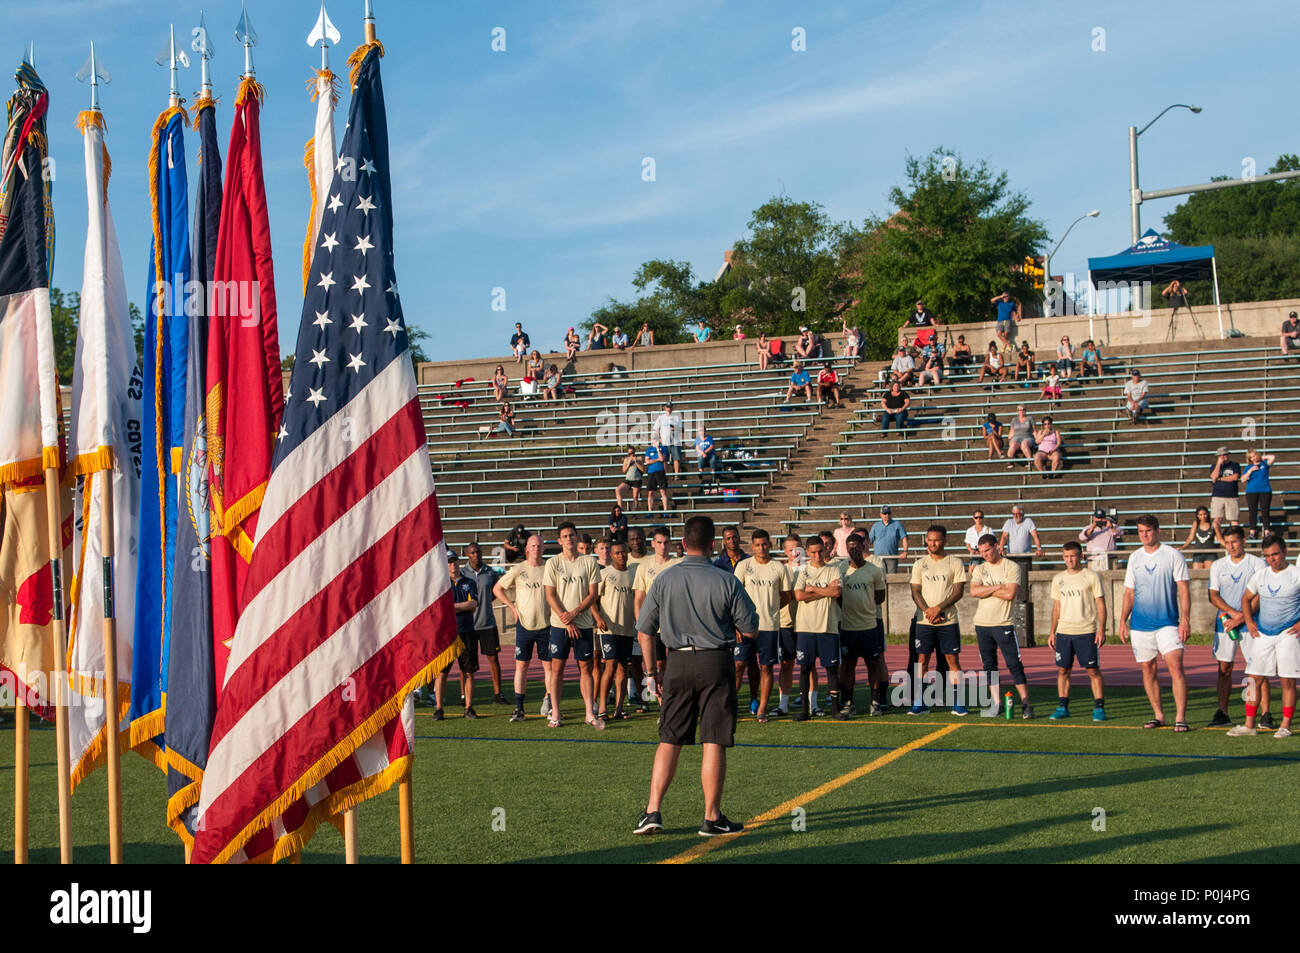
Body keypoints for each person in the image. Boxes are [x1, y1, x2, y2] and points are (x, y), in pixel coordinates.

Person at [632, 515, 759, 837]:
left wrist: (650, 673)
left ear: (682, 544)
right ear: (713, 544)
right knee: (714, 739)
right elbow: (750, 627)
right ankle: (711, 817)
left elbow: (645, 631)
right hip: (715, 661)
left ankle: (652, 811)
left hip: (676, 662)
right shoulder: (726, 579)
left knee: (669, 738)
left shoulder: (663, 579)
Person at [1119, 515, 1192, 731]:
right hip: (1140, 625)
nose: (1144, 535)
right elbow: (1129, 592)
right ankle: (1159, 715)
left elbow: (1183, 589)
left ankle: (1180, 717)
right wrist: (1123, 620)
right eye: (1141, 531)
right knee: (1147, 669)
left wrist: (1185, 620)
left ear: (1157, 531)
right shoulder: (1134, 558)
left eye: (1148, 531)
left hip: (1168, 622)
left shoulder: (1173, 555)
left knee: (1175, 667)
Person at [1226, 534, 1300, 739]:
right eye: (1267, 555)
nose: (1272, 559)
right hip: (1263, 634)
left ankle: (1285, 725)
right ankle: (1249, 724)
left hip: (1288, 633)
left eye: (1275, 554)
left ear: (1285, 552)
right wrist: (1249, 621)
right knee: (1253, 680)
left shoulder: (1296, 574)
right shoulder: (1261, 575)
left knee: (1288, 681)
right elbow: (1246, 598)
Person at [1207, 525, 1268, 729]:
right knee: (1224, 667)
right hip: (1225, 623)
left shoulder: (1257, 563)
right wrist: (1233, 615)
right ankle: (1223, 712)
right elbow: (1213, 595)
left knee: (1257, 668)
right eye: (1227, 542)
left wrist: (1242, 617)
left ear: (1243, 541)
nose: (1231, 546)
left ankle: (1264, 713)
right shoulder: (1218, 565)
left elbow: (1259, 595)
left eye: (1234, 541)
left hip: (1251, 623)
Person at [543, 522, 603, 730]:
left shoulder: (589, 562)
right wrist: (565, 619)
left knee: (586, 667)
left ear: (577, 538)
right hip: (559, 626)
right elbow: (550, 594)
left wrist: (575, 614)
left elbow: (593, 593)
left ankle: (589, 712)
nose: (569, 539)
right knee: (556, 668)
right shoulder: (552, 563)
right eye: (565, 536)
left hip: (584, 623)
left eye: (572, 535)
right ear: (559, 541)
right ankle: (556, 713)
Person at [971, 535, 1033, 718]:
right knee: (989, 665)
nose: (985, 555)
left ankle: (1026, 704)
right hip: (982, 624)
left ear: (997, 547)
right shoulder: (980, 569)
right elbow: (974, 591)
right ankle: (997, 703)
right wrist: (997, 587)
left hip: (1003, 623)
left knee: (1014, 664)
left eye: (988, 550)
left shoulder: (1011, 567)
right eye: (982, 552)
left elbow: (1010, 593)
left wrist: (987, 590)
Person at [909, 525, 969, 715]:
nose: (932, 543)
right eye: (929, 539)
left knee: (953, 661)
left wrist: (939, 608)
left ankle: (958, 702)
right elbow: (915, 591)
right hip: (925, 621)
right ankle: (919, 702)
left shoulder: (955, 562)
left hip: (948, 621)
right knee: (922, 661)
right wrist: (928, 611)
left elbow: (958, 591)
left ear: (944, 541)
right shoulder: (919, 564)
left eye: (936, 540)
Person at [1048, 541, 1108, 721]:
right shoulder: (1058, 579)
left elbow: (1100, 604)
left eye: (1073, 556)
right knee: (1063, 670)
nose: (1069, 560)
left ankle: (1098, 708)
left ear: (1081, 556)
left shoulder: (1091, 576)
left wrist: (1101, 629)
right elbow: (1056, 607)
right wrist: (1052, 631)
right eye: (1066, 556)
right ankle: (1062, 707)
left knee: (1092, 670)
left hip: (1086, 631)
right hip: (1064, 632)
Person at [494, 534, 551, 723]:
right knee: (522, 666)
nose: (536, 548)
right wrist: (512, 608)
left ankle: (549, 702)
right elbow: (497, 589)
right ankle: (519, 708)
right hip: (524, 625)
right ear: (527, 548)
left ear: (543, 549)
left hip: (546, 624)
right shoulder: (519, 569)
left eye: (539, 546)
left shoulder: (549, 569)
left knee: (548, 666)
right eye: (533, 545)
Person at [739, 529, 793, 724]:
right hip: (745, 626)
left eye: (764, 544)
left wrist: (771, 609)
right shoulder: (744, 566)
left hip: (769, 627)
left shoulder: (778, 568)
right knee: (738, 666)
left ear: (769, 545)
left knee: (766, 668)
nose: (761, 548)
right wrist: (737, 624)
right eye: (757, 545)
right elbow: (735, 596)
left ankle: (762, 709)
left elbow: (787, 595)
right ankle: (729, 706)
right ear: (752, 546)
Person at [793, 537, 845, 721]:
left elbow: (836, 592)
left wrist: (812, 589)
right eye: (813, 552)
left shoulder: (834, 569)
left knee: (831, 669)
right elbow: (799, 595)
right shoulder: (803, 570)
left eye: (820, 551)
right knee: (805, 668)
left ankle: (835, 710)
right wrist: (825, 592)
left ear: (825, 550)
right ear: (807, 552)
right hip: (806, 627)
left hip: (827, 626)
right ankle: (804, 710)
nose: (817, 555)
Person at [839, 531, 888, 717]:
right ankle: (849, 702)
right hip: (848, 627)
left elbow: (880, 596)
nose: (854, 551)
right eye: (850, 548)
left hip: (869, 626)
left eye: (857, 547)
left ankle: (875, 702)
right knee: (849, 665)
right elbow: (838, 597)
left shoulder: (873, 570)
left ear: (863, 547)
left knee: (873, 664)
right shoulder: (841, 569)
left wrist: (864, 607)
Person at [434, 552, 480, 719]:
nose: (453, 565)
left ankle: (468, 707)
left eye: (454, 561)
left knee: (468, 671)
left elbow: (473, 604)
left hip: (466, 630)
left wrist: (452, 606)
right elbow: (439, 608)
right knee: (442, 672)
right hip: (446, 633)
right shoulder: (440, 584)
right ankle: (439, 708)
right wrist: (462, 606)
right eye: (449, 562)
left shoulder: (469, 582)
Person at [595, 539, 637, 721]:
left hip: (627, 629)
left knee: (622, 669)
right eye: (617, 553)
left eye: (623, 552)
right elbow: (592, 600)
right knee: (610, 666)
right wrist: (598, 618)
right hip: (609, 629)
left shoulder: (633, 575)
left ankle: (619, 709)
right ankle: (603, 708)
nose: (621, 555)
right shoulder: (604, 574)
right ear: (611, 555)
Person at [633, 526, 677, 682]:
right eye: (659, 543)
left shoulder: (678, 564)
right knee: (658, 663)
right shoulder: (644, 566)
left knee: (675, 664)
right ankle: (661, 698)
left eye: (666, 543)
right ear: (652, 544)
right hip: (653, 625)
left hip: (674, 624)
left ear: (670, 543)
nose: (663, 547)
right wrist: (640, 626)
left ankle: (670, 696)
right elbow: (639, 598)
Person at [464, 543, 506, 705]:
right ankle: (464, 696)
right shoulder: (462, 573)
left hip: (488, 623)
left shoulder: (490, 572)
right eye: (473, 552)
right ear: (468, 555)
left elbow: (496, 591)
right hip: (469, 625)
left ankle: (498, 693)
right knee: (467, 662)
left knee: (493, 658)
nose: (476, 555)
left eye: (478, 552)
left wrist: (487, 602)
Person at [1242, 448, 1276, 539]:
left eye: (1255, 455)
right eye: (1251, 457)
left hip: (1265, 490)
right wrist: (1251, 470)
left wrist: (1261, 457)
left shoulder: (1264, 464)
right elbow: (1243, 479)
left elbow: (1272, 457)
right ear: (1249, 459)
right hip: (1251, 491)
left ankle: (1267, 531)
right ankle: (1252, 532)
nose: (1254, 458)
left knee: (1265, 511)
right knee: (1252, 512)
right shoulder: (1248, 467)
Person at [1208, 446, 1242, 534]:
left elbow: (1234, 477)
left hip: (1232, 496)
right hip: (1217, 495)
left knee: (1234, 519)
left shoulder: (1234, 465)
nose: (1222, 457)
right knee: (1217, 518)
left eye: (1224, 455)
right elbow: (1214, 477)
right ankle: (1216, 537)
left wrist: (1220, 479)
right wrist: (1219, 464)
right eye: (1220, 455)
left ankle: (1235, 536)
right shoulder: (1214, 466)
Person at [869, 505, 908, 574]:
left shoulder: (897, 524)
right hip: (878, 558)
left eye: (888, 513)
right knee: (880, 580)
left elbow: (904, 538)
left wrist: (905, 551)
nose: (886, 515)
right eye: (884, 513)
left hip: (892, 557)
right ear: (880, 514)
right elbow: (869, 541)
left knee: (891, 579)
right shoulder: (876, 526)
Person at [653, 402, 684, 475]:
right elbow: (655, 429)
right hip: (664, 442)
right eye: (667, 407)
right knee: (664, 459)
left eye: (670, 407)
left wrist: (675, 428)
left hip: (675, 441)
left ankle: (676, 475)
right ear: (665, 408)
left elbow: (682, 429)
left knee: (676, 459)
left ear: (672, 408)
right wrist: (658, 438)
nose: (669, 409)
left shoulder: (677, 417)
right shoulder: (661, 417)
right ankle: (665, 475)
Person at [643, 440, 671, 515]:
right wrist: (657, 460)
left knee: (663, 492)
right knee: (650, 493)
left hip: (660, 471)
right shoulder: (649, 449)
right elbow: (647, 461)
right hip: (651, 472)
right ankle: (650, 511)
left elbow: (662, 458)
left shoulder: (663, 448)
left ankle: (665, 511)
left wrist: (658, 449)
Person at [615, 446, 643, 511]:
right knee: (618, 490)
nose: (631, 454)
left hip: (637, 479)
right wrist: (628, 464)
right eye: (630, 453)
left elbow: (642, 470)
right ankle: (620, 509)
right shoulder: (626, 459)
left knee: (635, 497)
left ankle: (634, 513)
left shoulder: (639, 458)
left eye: (632, 453)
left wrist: (636, 462)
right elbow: (624, 471)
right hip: (628, 480)